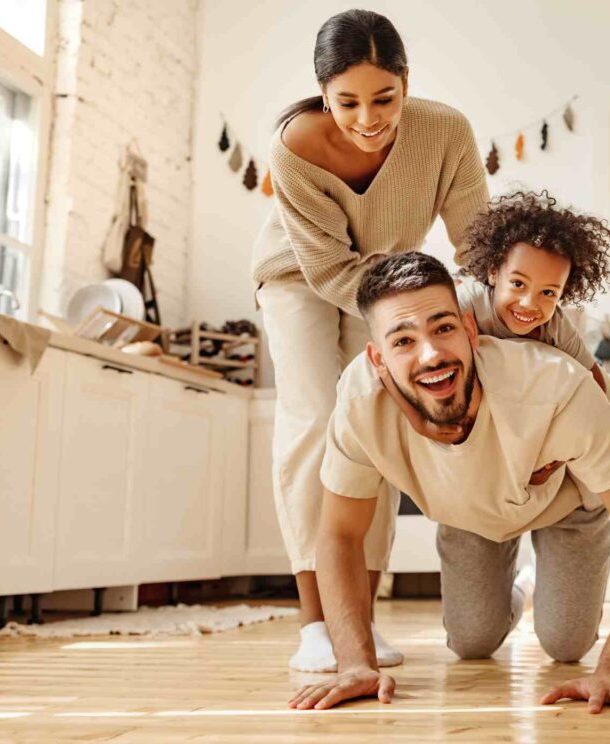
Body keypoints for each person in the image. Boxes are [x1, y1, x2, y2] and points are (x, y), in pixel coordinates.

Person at [288, 252, 610, 715]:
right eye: (403, 341)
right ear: (377, 358)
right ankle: (525, 582)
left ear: (470, 330)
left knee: (565, 642)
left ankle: (583, 527)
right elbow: (339, 533)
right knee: (471, 641)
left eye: (443, 328)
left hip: (565, 501)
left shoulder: (555, 386)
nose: (431, 354)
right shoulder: (359, 404)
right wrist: (355, 664)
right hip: (468, 510)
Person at [252, 9, 489, 672]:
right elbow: (326, 269)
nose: (368, 118)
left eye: (385, 98)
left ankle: (360, 613)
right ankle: (314, 625)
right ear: (323, 92)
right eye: (348, 101)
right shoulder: (294, 145)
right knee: (313, 419)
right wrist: (410, 309)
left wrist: (509, 304)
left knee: (372, 427)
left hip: (385, 284)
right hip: (298, 277)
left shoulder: (447, 133)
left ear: (407, 84)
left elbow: (477, 243)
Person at [380, 191, 610, 451]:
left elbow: (597, 386)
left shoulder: (555, 326)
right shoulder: (466, 304)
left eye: (548, 292)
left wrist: (565, 450)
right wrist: (419, 423)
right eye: (518, 284)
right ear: (494, 273)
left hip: (518, 413)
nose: (529, 303)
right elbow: (391, 364)